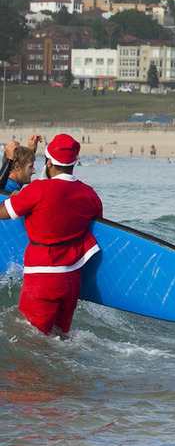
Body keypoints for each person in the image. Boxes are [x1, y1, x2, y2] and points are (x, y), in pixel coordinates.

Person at [0, 134, 104, 337]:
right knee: (61, 337)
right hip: (72, 280)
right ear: (74, 164)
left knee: (31, 340)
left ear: (49, 162)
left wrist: (14, 199)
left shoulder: (38, 189)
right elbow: (98, 229)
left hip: (42, 278)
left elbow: (3, 213)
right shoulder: (90, 194)